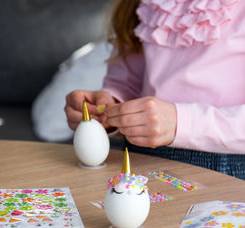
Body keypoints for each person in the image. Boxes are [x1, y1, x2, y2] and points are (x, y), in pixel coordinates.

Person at [64, 0, 245, 179]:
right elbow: (127, 83)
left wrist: (179, 123)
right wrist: (110, 107)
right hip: (140, 155)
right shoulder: (146, 4)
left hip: (225, 165)